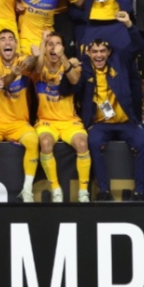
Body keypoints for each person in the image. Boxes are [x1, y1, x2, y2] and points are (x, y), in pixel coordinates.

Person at [69, 14, 144, 201]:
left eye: (102, 51)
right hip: (100, 124)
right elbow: (72, 89)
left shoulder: (120, 60)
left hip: (125, 122)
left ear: (109, 52)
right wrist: (68, 67)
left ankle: (140, 191)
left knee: (143, 143)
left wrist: (129, 25)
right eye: (94, 51)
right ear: (88, 53)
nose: (99, 55)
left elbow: (138, 45)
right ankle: (103, 190)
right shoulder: (84, 69)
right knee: (93, 143)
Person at [0, 29, 40, 203]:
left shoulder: (22, 61)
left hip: (18, 123)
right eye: (3, 39)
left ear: (16, 45)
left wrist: (36, 56)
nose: (7, 42)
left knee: (33, 141)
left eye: (11, 39)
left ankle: (27, 191)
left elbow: (31, 63)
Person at [27, 32, 89, 202]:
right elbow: (37, 69)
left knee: (82, 144)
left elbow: (75, 80)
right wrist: (41, 43)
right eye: (50, 44)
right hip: (46, 122)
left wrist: (63, 58)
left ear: (63, 47)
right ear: (45, 49)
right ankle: (55, 189)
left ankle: (83, 192)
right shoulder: (38, 69)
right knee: (46, 143)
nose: (54, 47)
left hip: (69, 121)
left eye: (58, 43)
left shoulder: (71, 65)